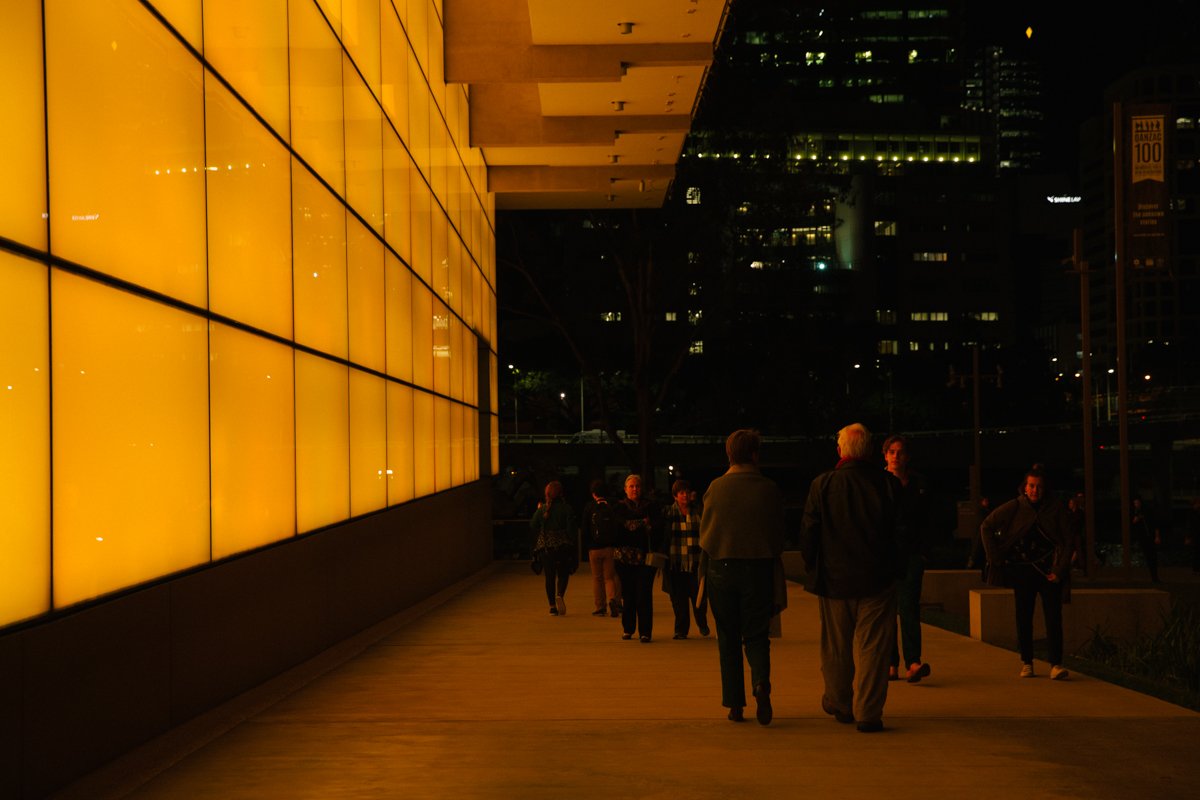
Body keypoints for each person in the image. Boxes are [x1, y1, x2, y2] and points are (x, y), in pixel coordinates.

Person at [801, 423, 903, 733]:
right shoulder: (887, 484)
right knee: (873, 647)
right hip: (878, 578)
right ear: (870, 451)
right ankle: (869, 712)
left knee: (836, 645)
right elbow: (901, 532)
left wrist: (812, 565)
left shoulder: (823, 484)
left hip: (834, 580)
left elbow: (809, 532)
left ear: (842, 451)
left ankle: (839, 701)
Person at [700, 429, 786, 725]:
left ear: (729, 454)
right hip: (758, 568)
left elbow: (706, 534)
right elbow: (778, 536)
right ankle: (760, 682)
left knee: (728, 637)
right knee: (757, 634)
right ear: (754, 454)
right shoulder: (768, 488)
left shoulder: (716, 487)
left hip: (722, 567)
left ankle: (735, 704)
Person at [980, 465, 1072, 680]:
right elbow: (986, 526)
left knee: (1053, 617)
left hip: (1049, 571)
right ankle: (1027, 662)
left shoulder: (1056, 509)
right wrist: (995, 557)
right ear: (1025, 487)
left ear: (1045, 488)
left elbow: (1067, 542)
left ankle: (1056, 664)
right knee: (1023, 616)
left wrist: (1059, 570)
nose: (1034, 491)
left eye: (1038, 487)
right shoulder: (1015, 507)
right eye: (1031, 486)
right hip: (1022, 571)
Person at [881, 434, 932, 684]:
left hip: (912, 553)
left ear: (907, 456)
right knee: (887, 608)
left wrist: (923, 552)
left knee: (909, 606)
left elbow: (927, 520)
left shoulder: (918, 484)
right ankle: (891, 663)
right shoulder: (879, 483)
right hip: (887, 552)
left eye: (900, 452)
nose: (896, 456)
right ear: (885, 455)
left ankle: (913, 661)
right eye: (892, 452)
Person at [613, 474, 660, 642]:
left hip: (645, 558)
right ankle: (628, 628)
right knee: (628, 594)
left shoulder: (651, 506)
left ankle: (645, 631)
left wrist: (636, 525)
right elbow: (619, 528)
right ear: (625, 489)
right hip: (624, 559)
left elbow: (656, 527)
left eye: (637, 486)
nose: (635, 489)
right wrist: (642, 523)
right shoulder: (619, 508)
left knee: (643, 594)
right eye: (631, 486)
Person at [662, 479, 710, 639]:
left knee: (699, 597)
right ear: (675, 496)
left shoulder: (697, 512)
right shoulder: (669, 513)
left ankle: (702, 623)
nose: (685, 496)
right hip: (676, 563)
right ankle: (681, 630)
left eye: (687, 492)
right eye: (681, 493)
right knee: (678, 599)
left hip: (695, 562)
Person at [529, 480, 577, 616]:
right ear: (561, 493)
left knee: (549, 577)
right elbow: (571, 530)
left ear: (547, 494)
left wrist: (538, 510)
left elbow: (533, 525)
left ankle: (552, 606)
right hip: (563, 546)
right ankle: (560, 594)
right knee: (563, 573)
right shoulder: (567, 509)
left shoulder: (542, 509)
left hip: (546, 548)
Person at [582, 479, 622, 617]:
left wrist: (588, 545)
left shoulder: (589, 507)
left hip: (594, 548)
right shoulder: (612, 506)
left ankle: (600, 607)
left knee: (597, 578)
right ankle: (613, 600)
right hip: (609, 547)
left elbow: (585, 529)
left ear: (593, 494)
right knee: (610, 577)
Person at [1131, 497, 1161, 583]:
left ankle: (1154, 576)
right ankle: (1154, 576)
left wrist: (1156, 536)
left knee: (1152, 556)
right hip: (1143, 537)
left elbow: (1155, 524)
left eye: (1137, 503)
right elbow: (1133, 522)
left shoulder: (1148, 512)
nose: (1136, 505)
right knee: (1149, 556)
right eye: (1135, 503)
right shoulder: (1135, 512)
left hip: (1149, 536)